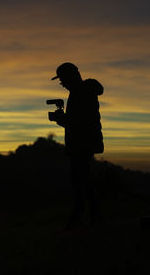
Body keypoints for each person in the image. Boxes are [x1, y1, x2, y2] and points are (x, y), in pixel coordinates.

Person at [50, 62, 104, 230]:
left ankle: (78, 220)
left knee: (80, 183)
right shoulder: (82, 92)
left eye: (63, 80)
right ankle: (90, 218)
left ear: (71, 77)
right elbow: (78, 122)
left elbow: (80, 122)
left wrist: (60, 119)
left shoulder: (81, 93)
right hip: (83, 143)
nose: (63, 84)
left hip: (82, 145)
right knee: (84, 182)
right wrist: (62, 119)